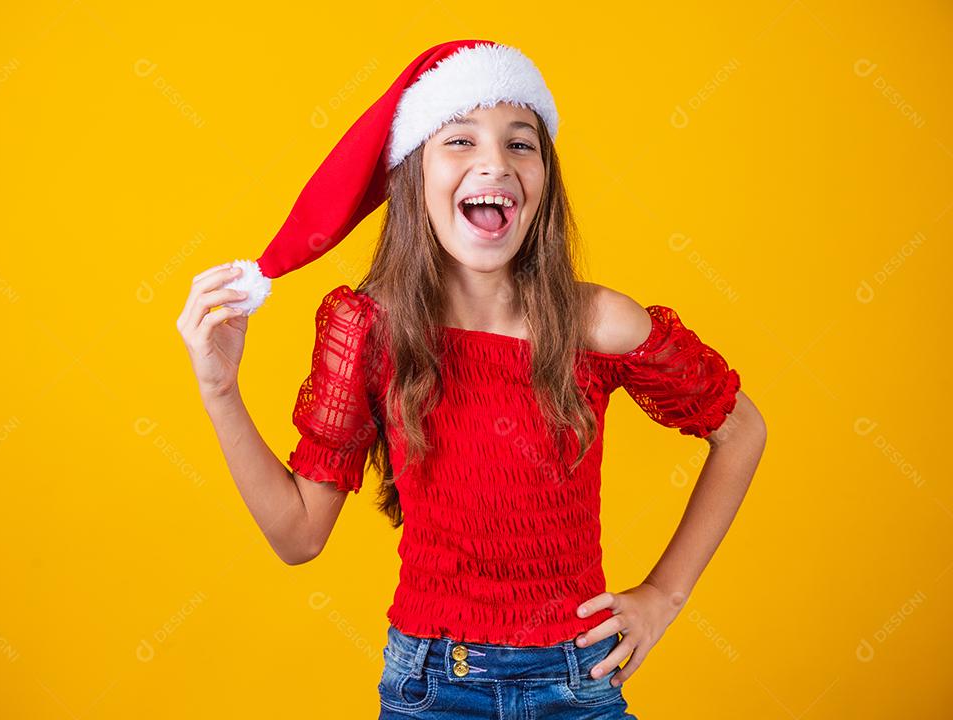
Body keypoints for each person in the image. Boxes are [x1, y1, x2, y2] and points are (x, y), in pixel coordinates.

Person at [177, 40, 767, 719]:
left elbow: (741, 429)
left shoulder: (599, 322)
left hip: (579, 683)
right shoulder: (366, 327)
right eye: (460, 139)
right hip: (432, 688)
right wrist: (220, 390)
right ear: (413, 174)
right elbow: (298, 537)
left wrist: (664, 596)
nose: (495, 161)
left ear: (544, 181)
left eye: (522, 144)